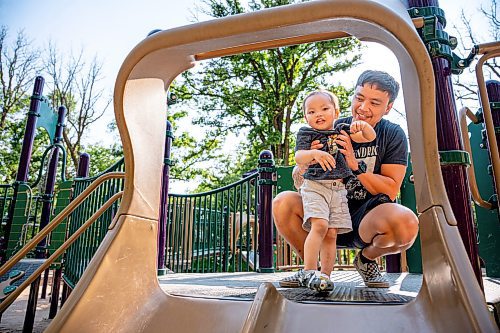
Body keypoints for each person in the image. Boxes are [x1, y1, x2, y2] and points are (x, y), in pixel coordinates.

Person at [275, 70, 419, 288]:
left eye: (374, 102)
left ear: (388, 107)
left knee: (406, 224)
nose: (363, 108)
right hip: (323, 210)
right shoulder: (329, 125)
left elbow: (390, 190)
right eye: (359, 98)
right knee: (282, 202)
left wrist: (355, 165)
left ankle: (366, 259)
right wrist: (305, 164)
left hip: (366, 217)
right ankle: (310, 270)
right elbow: (299, 178)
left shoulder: (392, 134)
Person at [289, 89, 377, 293]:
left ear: (336, 113)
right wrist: (313, 153)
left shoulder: (342, 130)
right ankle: (309, 271)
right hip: (315, 186)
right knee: (319, 225)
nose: (318, 114)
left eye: (324, 109)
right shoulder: (307, 133)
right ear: (305, 117)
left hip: (338, 189)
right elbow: (298, 157)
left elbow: (368, 137)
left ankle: (324, 278)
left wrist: (363, 126)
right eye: (311, 112)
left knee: (331, 233)